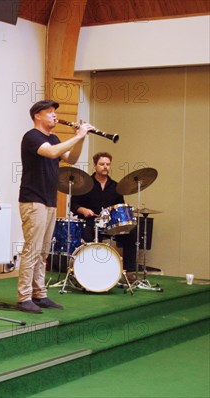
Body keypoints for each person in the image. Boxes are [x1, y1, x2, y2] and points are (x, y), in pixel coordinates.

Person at [17, 100, 91, 314]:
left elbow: (71, 158)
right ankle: (24, 297)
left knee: (43, 251)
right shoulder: (32, 137)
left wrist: (81, 139)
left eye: (55, 113)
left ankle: (39, 294)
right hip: (33, 199)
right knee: (32, 249)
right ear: (37, 116)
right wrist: (76, 135)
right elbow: (50, 153)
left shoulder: (55, 138)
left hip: (48, 199)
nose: (54, 116)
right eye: (49, 112)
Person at [70, 152, 137, 275]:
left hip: (110, 223)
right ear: (95, 166)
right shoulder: (84, 184)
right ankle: (90, 271)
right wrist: (84, 210)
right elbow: (73, 205)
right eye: (102, 164)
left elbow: (119, 205)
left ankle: (130, 272)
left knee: (131, 233)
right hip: (91, 222)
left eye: (108, 164)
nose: (105, 166)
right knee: (88, 235)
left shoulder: (116, 187)